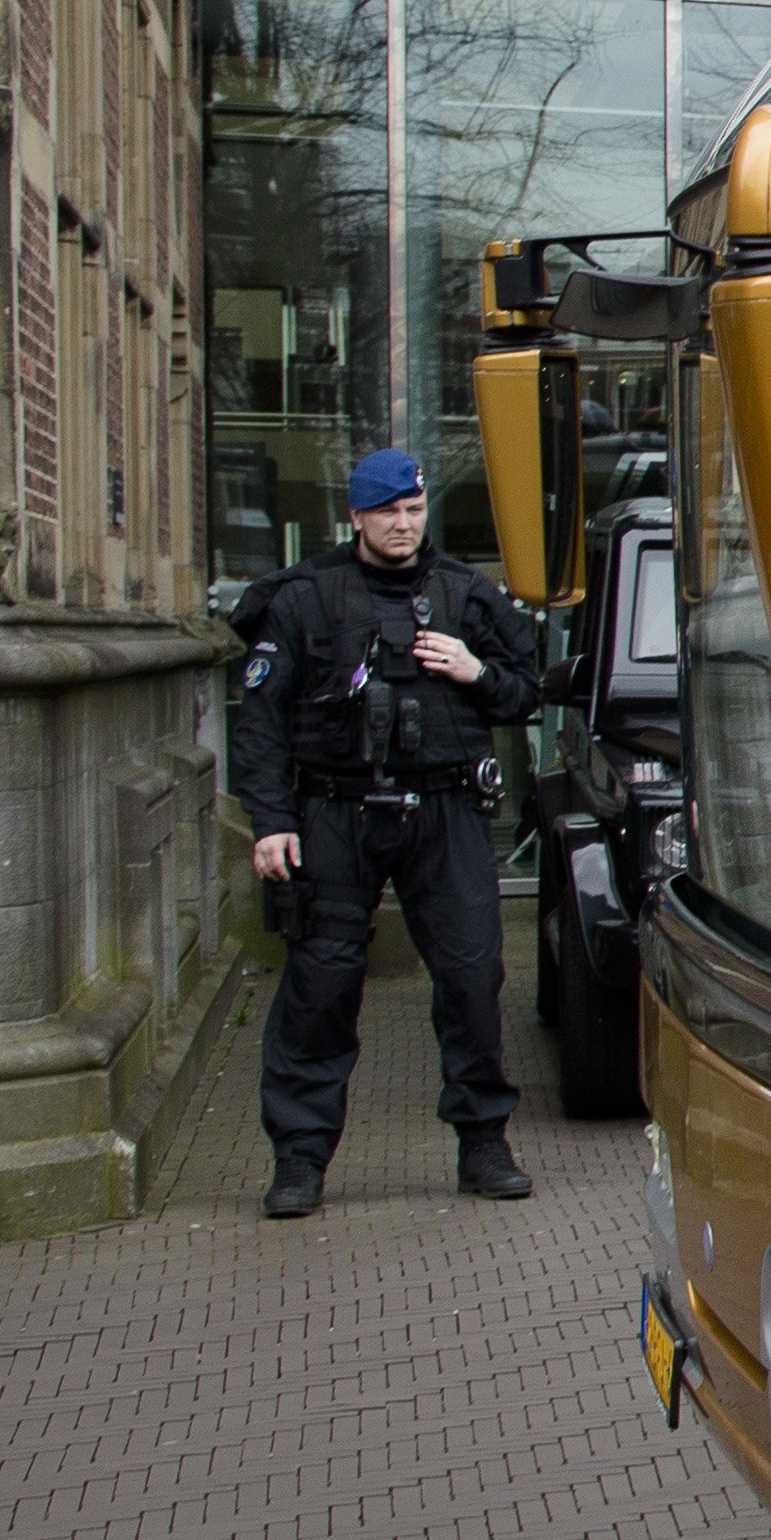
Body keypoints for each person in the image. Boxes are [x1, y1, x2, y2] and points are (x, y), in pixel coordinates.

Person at [233, 445, 545, 1217]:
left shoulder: (467, 596)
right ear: (357, 517)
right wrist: (271, 823)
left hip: (446, 811)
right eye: (386, 513)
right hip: (335, 812)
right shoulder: (307, 598)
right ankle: (300, 1158)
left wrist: (476, 672)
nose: (402, 525)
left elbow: (525, 694)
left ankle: (483, 1145)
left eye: (412, 510)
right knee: (320, 987)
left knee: (473, 979)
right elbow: (261, 725)